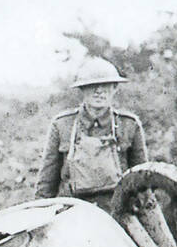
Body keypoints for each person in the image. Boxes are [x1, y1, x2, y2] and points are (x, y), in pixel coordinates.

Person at [36, 58, 147, 211]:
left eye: (105, 85)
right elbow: (46, 182)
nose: (99, 91)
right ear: (82, 89)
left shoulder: (129, 124)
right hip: (71, 212)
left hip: (117, 212)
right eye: (92, 86)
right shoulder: (62, 125)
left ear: (115, 88)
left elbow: (141, 179)